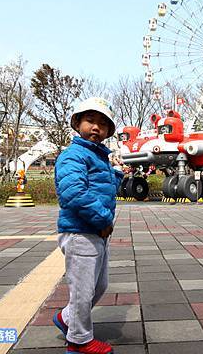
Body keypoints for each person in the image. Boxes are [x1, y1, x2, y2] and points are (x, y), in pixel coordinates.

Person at [53, 97, 123, 354]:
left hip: (96, 232)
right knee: (83, 290)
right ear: (77, 123)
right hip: (81, 230)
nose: (96, 127)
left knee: (99, 286)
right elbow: (73, 193)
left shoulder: (99, 157)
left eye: (103, 124)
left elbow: (101, 191)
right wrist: (103, 220)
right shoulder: (73, 155)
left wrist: (115, 175)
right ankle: (79, 341)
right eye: (90, 121)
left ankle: (67, 318)